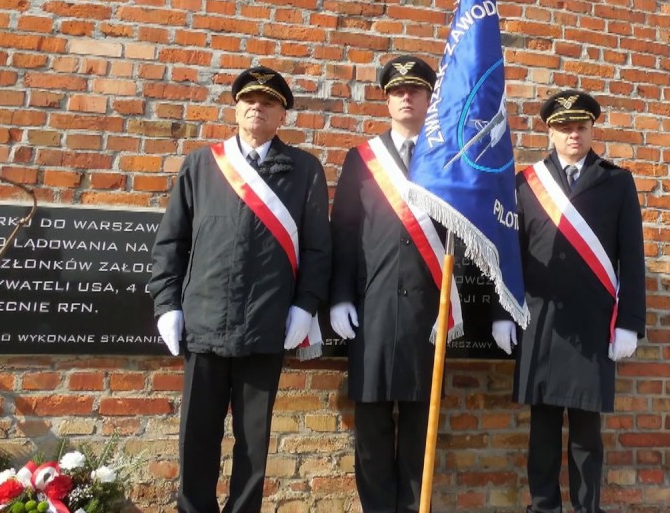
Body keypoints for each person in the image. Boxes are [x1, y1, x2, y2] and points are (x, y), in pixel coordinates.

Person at [147, 65, 331, 513]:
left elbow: (318, 249)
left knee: (254, 444)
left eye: (268, 102)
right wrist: (166, 303)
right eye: (249, 99)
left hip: (266, 327)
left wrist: (305, 306)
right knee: (197, 437)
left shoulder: (305, 170)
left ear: (282, 115)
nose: (257, 107)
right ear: (236, 107)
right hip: (205, 323)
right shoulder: (202, 164)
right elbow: (171, 241)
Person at [491, 88, 647, 513]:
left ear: (592, 128)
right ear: (550, 131)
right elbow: (509, 254)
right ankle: (543, 507)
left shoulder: (617, 182)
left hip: (592, 324)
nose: (572, 134)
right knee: (541, 432)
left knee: (585, 435)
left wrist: (630, 322)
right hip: (540, 322)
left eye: (580, 126)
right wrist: (502, 311)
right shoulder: (526, 184)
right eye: (563, 127)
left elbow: (631, 258)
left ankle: (586, 508)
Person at [328, 54, 463, 513]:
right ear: (386, 100)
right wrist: (341, 296)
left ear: (428, 99)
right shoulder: (362, 160)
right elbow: (343, 233)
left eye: (415, 90)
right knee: (371, 428)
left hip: (429, 312)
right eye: (397, 91)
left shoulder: (450, 161)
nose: (406, 97)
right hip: (373, 311)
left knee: (420, 431)